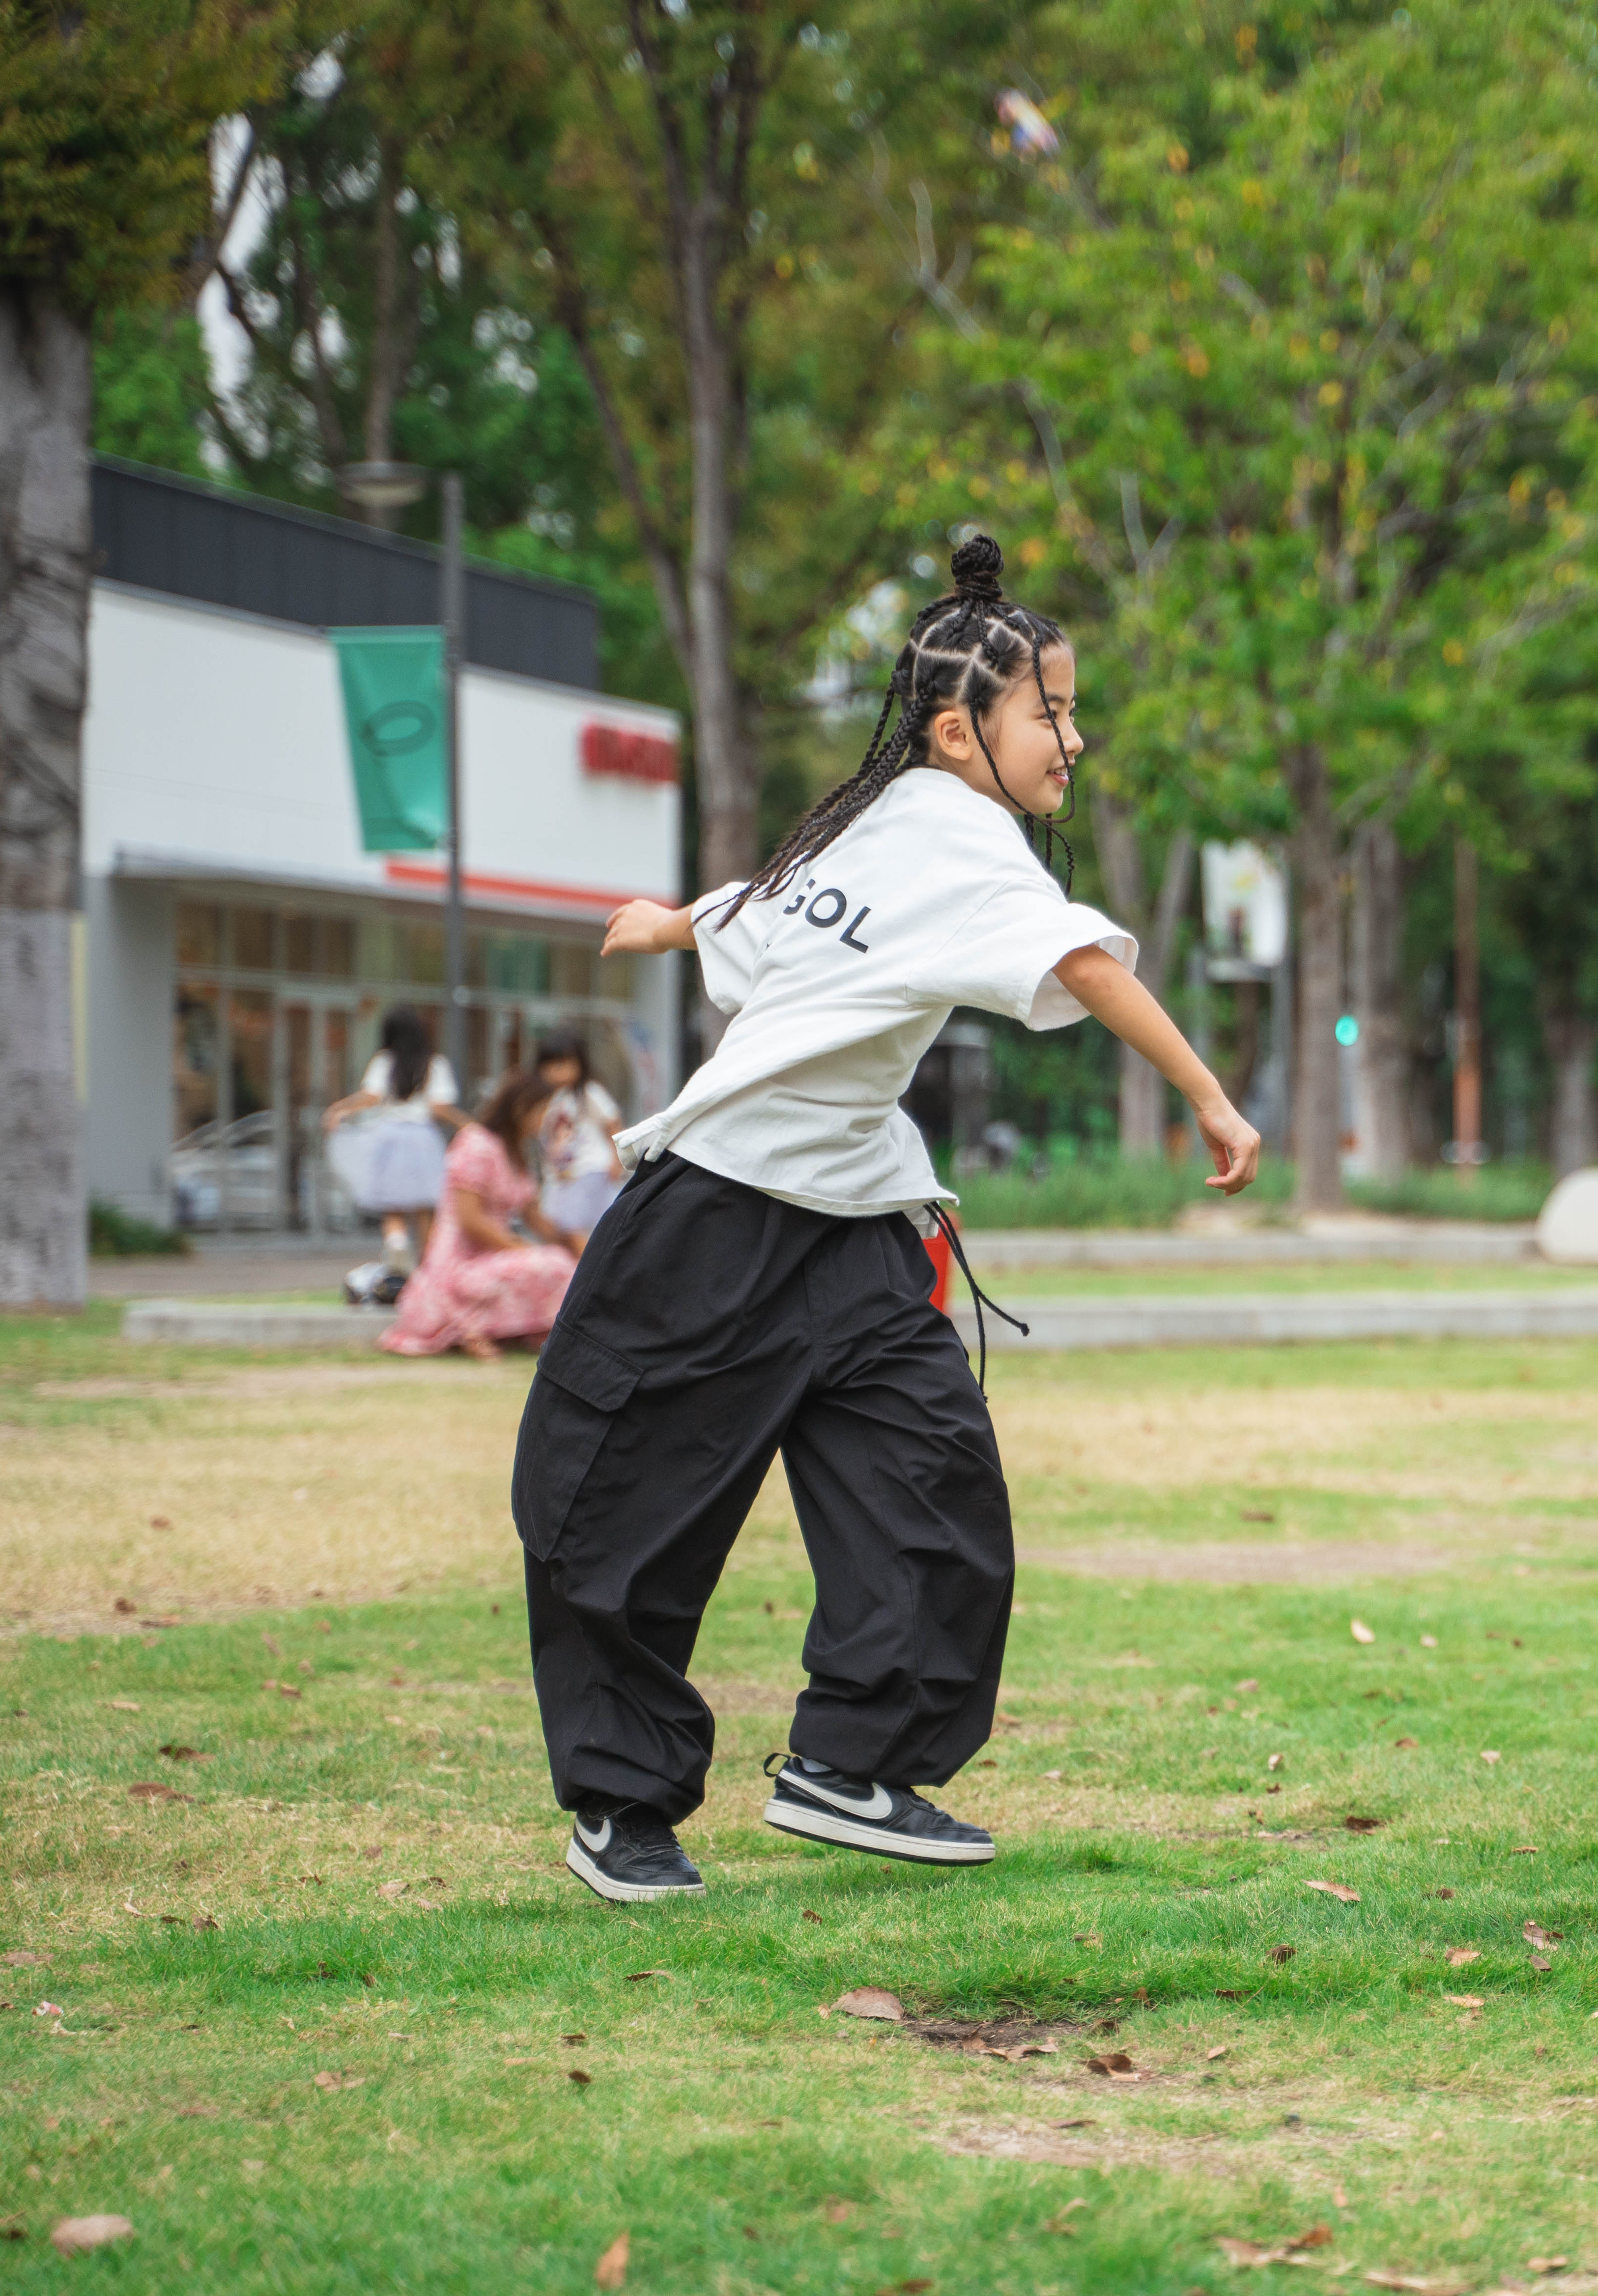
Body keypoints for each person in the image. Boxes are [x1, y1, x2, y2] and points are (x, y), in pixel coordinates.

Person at [523, 535, 1262, 1905]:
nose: (1075, 739)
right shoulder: (942, 836)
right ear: (957, 731)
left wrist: (673, 922)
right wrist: (1211, 1097)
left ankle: (851, 1765)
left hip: (857, 1221)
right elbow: (1077, 963)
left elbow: (761, 913)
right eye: (1052, 711)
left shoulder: (910, 827)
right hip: (716, 1215)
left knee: (930, 1477)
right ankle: (621, 1809)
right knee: (622, 1499)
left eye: (1072, 709)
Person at [381, 1069, 581, 1362]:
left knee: (564, 1264)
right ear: (521, 1108)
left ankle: (515, 1331)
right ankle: (471, 1329)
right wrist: (524, 1250)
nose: (546, 1123)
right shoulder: (476, 1143)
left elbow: (534, 1217)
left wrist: (574, 1242)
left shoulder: (517, 1154)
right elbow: (470, 1220)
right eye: (543, 1113)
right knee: (550, 1264)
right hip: (460, 1263)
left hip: (494, 1255)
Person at [322, 1006, 464, 1266]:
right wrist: (466, 1123)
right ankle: (430, 1265)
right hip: (424, 1139)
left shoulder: (385, 1061)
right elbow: (439, 1106)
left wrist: (339, 1108)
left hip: (389, 1137)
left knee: (393, 1205)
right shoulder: (435, 1062)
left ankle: (397, 1245)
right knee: (425, 1209)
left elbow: (372, 1097)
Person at [530, 1026, 628, 1237]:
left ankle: (582, 1269)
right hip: (560, 1176)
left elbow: (612, 1122)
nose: (558, 1072)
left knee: (575, 1231)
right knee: (558, 1228)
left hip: (590, 1168)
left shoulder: (587, 1092)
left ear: (580, 1065)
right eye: (552, 1065)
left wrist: (616, 1160)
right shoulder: (542, 1099)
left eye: (565, 1064)